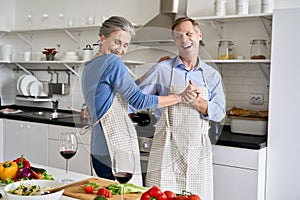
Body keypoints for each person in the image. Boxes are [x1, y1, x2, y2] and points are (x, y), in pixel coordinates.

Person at [81, 16, 197, 186]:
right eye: (117, 42)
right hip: (113, 149)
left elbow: (123, 94)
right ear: (102, 38)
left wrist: (152, 71)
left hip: (98, 149)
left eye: (126, 45)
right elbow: (139, 100)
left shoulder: (89, 65)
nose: (120, 50)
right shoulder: (112, 62)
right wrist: (180, 97)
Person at [132, 17, 226, 199]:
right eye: (178, 36)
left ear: (199, 36)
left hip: (197, 148)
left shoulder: (212, 75)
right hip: (166, 146)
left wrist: (197, 102)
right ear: (175, 41)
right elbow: (136, 99)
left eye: (188, 34)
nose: (184, 39)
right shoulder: (162, 69)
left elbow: (220, 112)